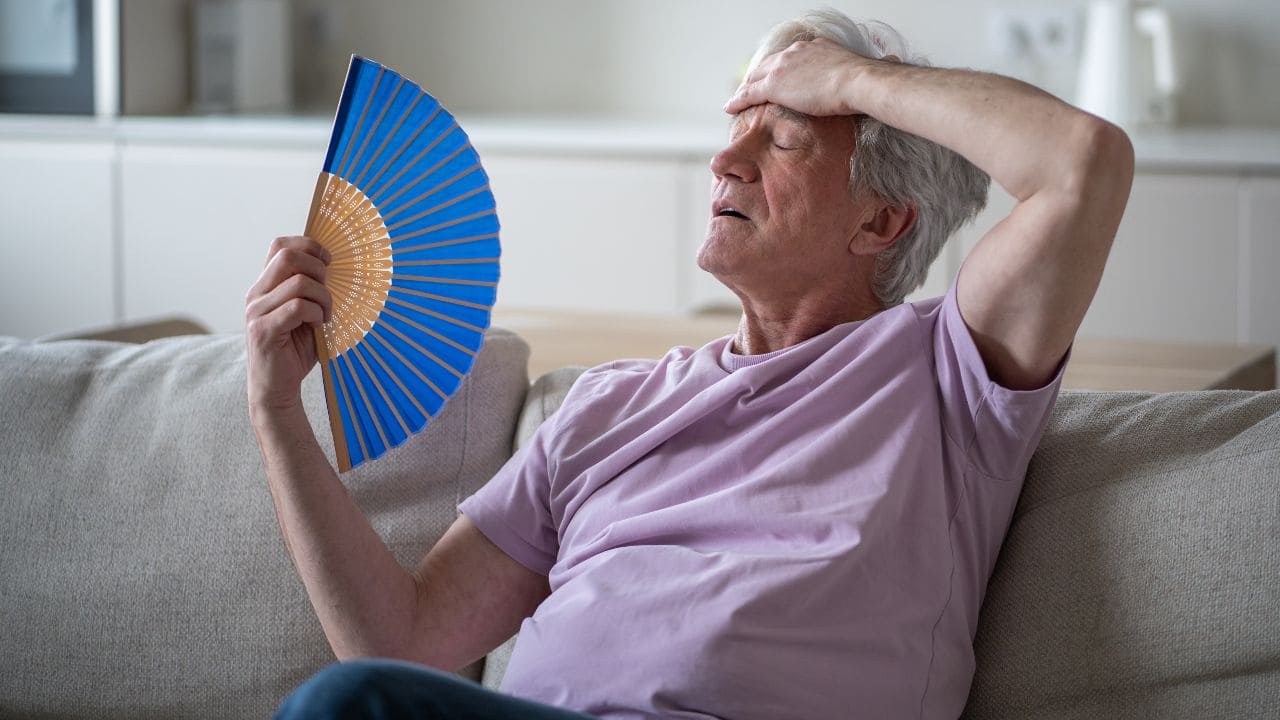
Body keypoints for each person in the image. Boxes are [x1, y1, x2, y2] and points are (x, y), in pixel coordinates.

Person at [245, 9, 1133, 720]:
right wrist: (278, 415)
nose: (724, 159)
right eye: (735, 127)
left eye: (781, 139)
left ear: (881, 222)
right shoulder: (606, 409)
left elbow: (1083, 164)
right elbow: (401, 645)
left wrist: (853, 79)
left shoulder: (946, 375)